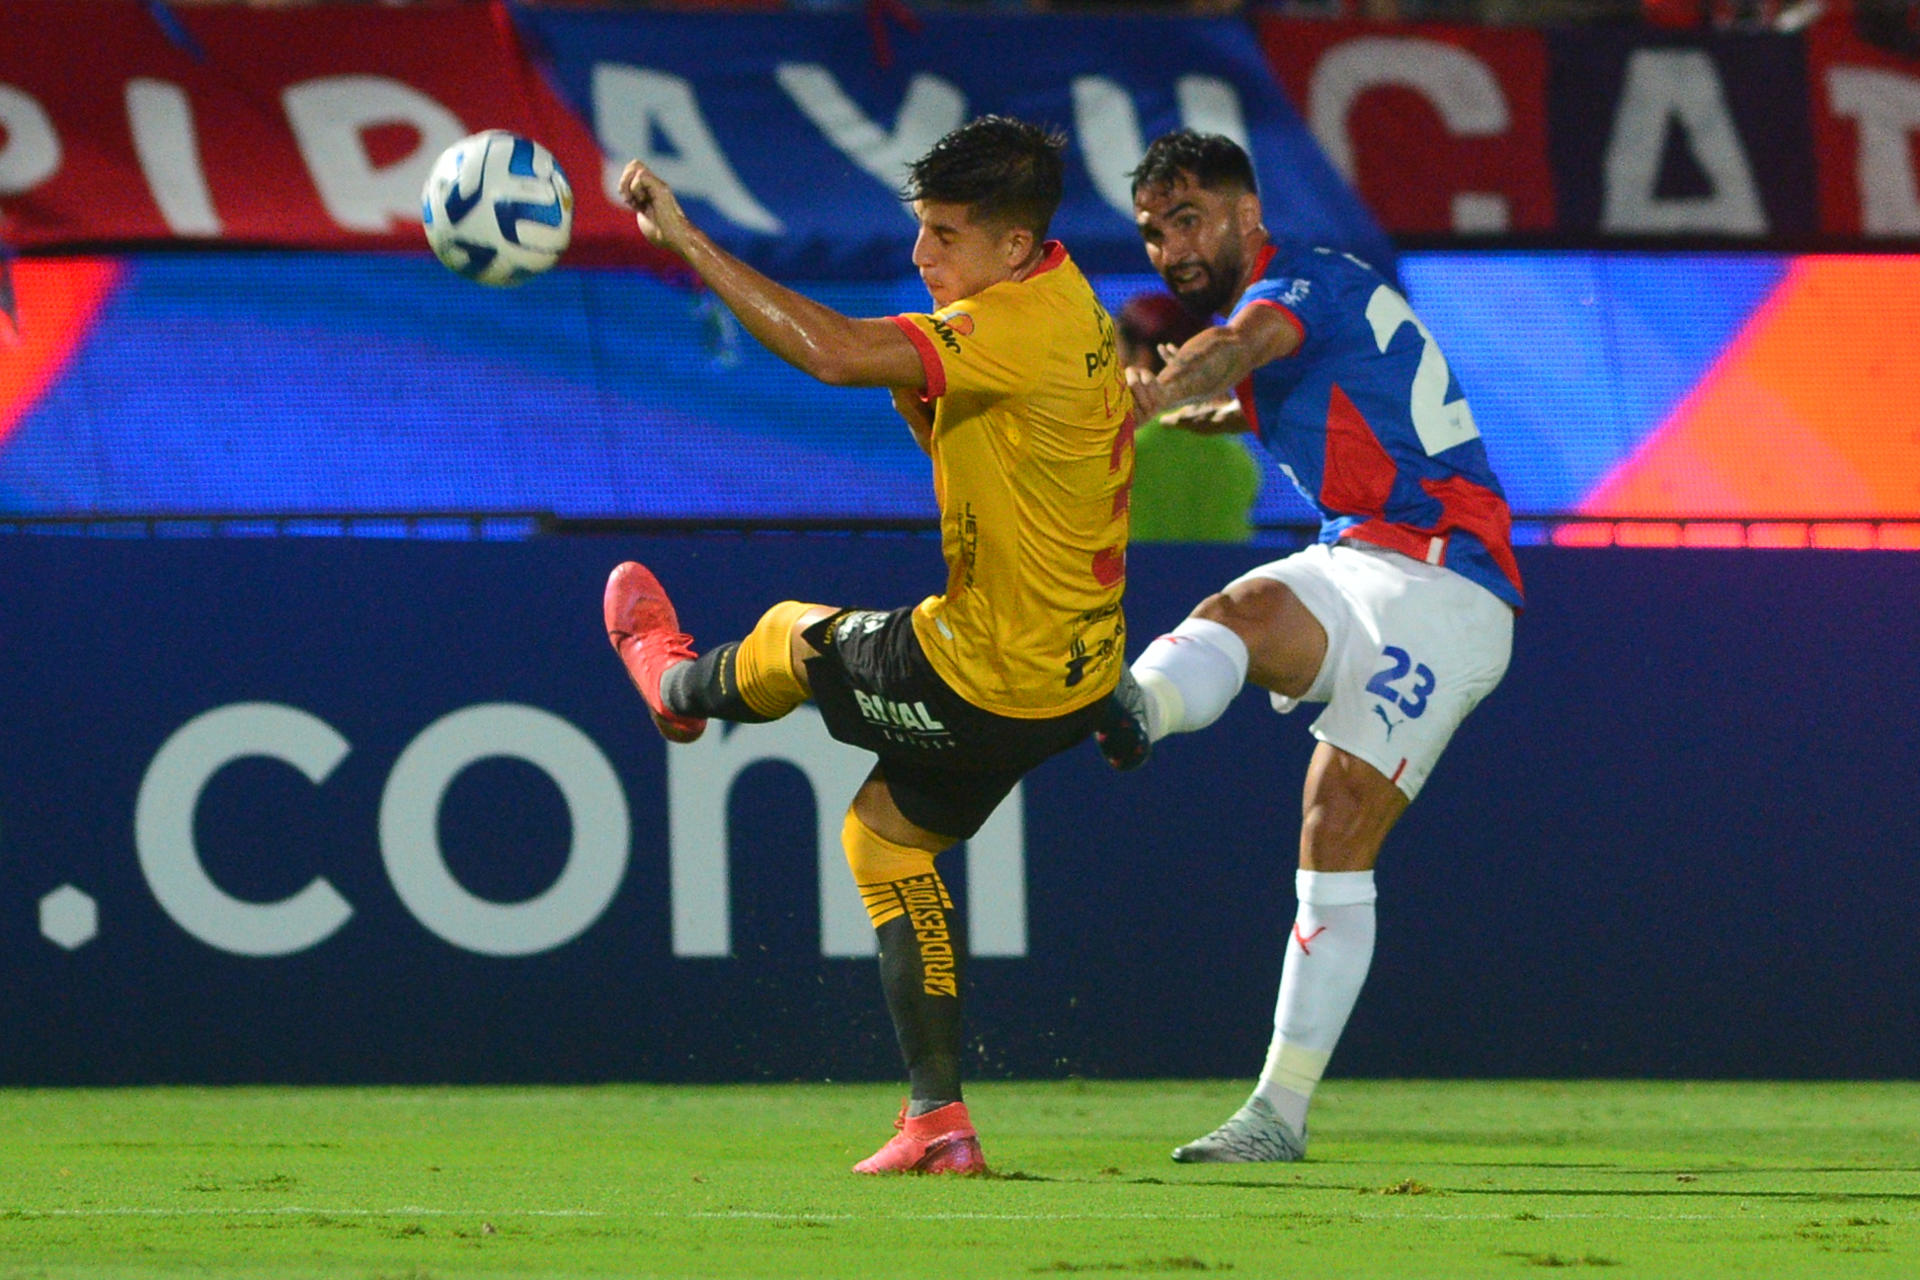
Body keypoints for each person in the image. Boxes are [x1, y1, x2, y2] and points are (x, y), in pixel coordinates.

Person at [604, 116, 1134, 1175]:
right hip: (1072, 680)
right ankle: (938, 1117)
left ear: (1017, 248)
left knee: (792, 636)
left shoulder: (1016, 325)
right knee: (887, 842)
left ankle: (675, 684)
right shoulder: (1073, 310)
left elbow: (833, 352)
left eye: (944, 234)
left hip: (980, 673)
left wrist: (687, 241)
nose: (920, 254)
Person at [1102, 130, 1522, 1163]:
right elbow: (1236, 392)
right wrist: (1158, 403)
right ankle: (1127, 709)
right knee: (1236, 613)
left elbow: (1233, 353)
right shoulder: (1308, 305)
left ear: (1249, 215)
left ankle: (1276, 1113)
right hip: (1358, 557)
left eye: (1189, 219)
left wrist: (1153, 388)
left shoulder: (1296, 287)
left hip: (1449, 585)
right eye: (1154, 232)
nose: (1170, 248)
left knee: (1334, 818)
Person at [1115, 291, 1262, 543]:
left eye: (1111, 349)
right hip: (1224, 580)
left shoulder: (1116, 451)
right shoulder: (1239, 459)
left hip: (1133, 580)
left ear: (1141, 357)